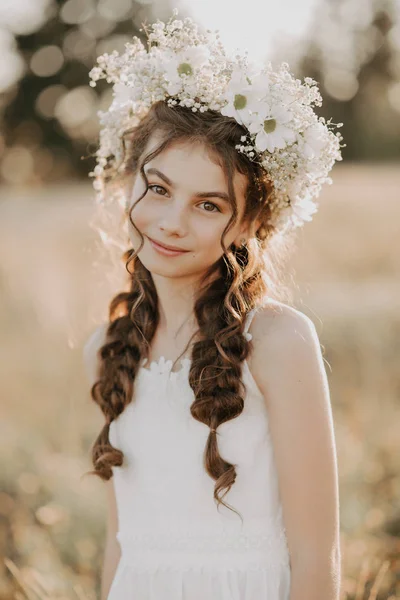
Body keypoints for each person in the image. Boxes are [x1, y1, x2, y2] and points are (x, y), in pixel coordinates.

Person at [83, 9, 344, 600]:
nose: (171, 223)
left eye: (208, 204)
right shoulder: (106, 350)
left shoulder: (277, 342)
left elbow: (317, 553)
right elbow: (120, 544)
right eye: (158, 189)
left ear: (250, 222)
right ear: (130, 183)